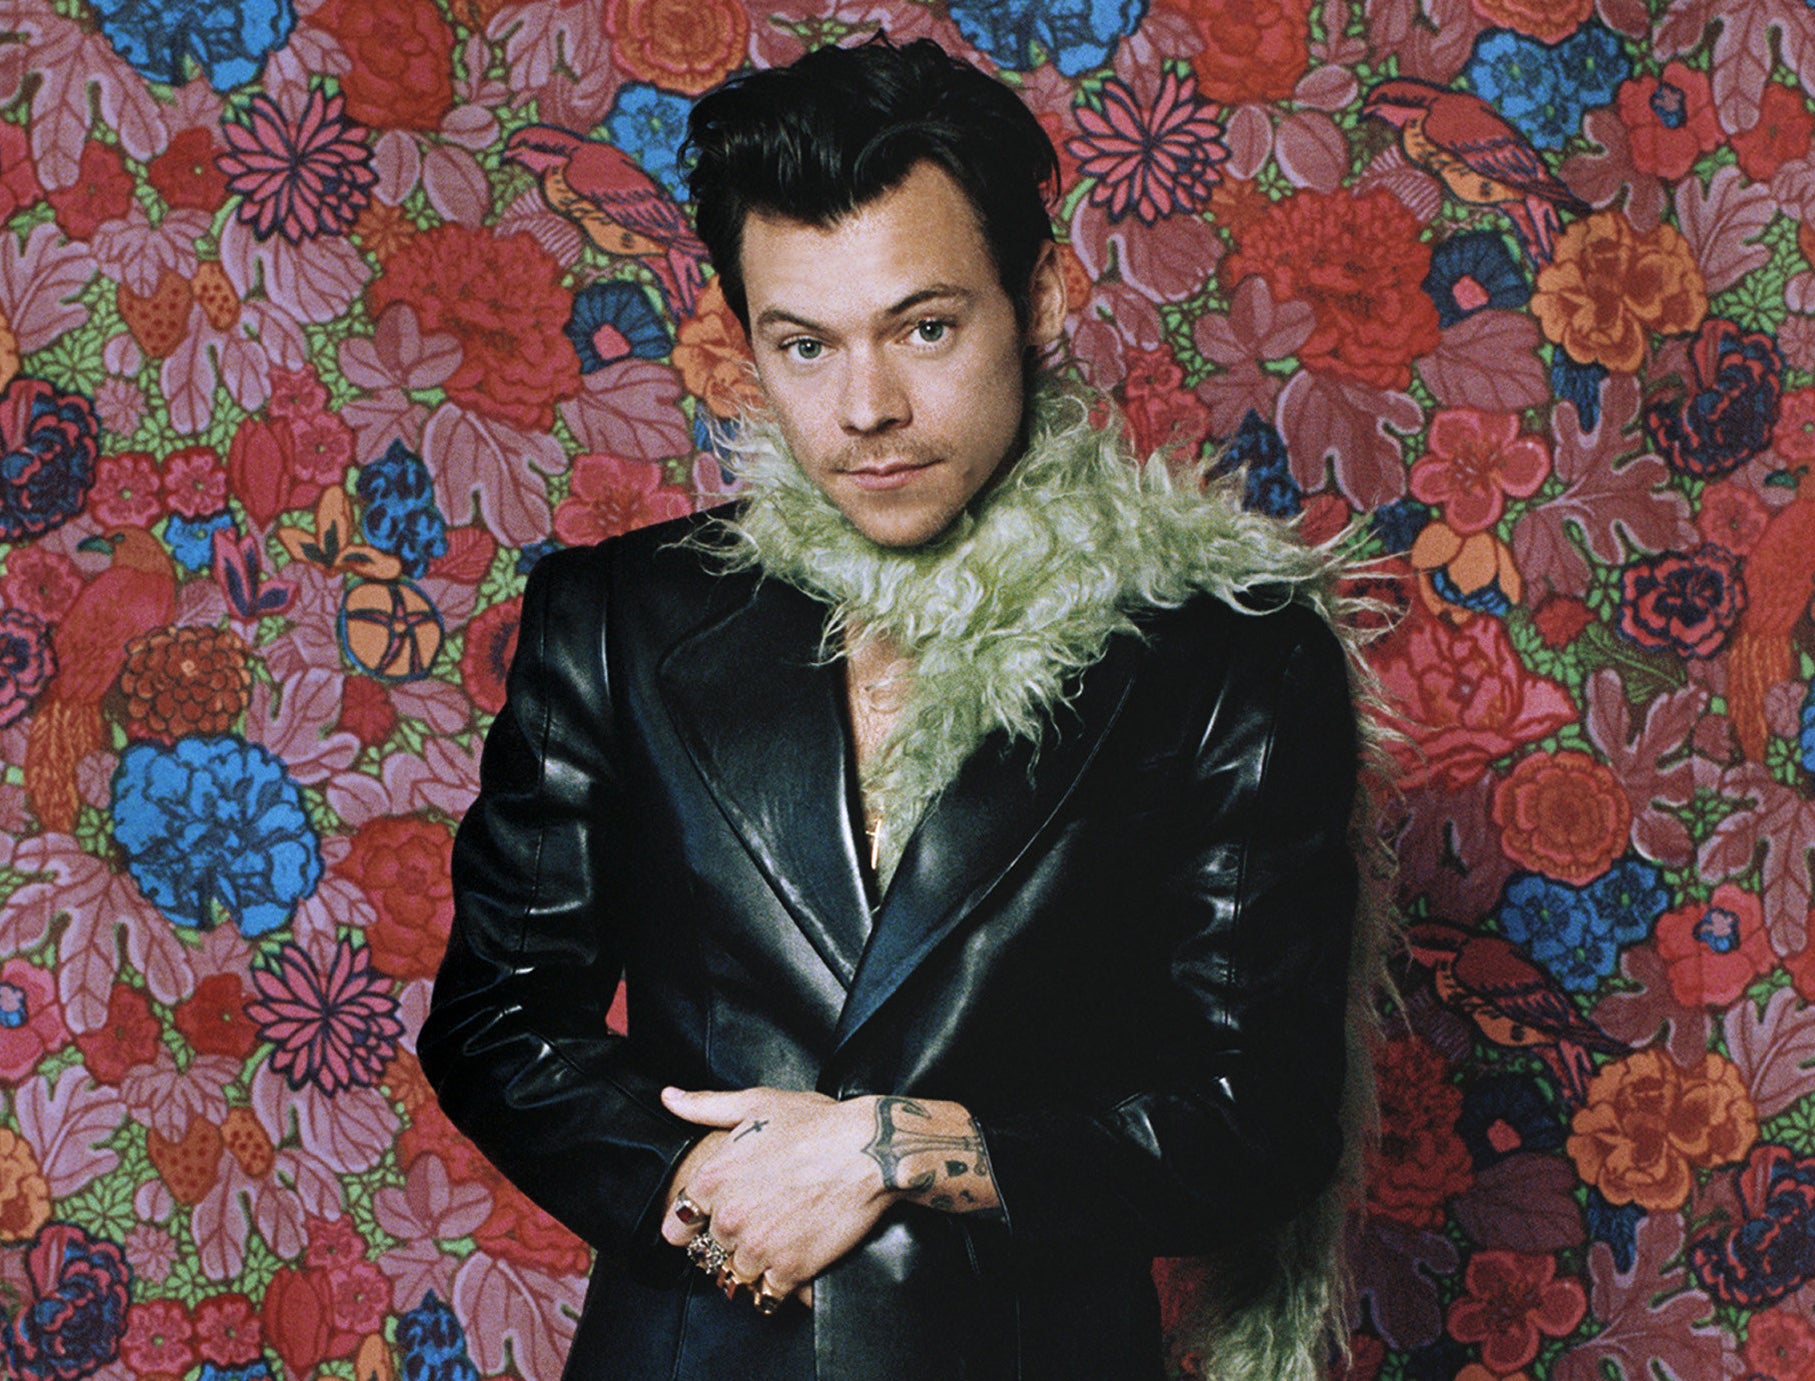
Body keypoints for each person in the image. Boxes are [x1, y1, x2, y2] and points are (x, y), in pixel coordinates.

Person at [421, 35, 1367, 1381]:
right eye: (804, 345)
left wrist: (896, 1153)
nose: (865, 408)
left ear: (1037, 297)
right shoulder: (622, 618)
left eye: (926, 328)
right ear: (745, 339)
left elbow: (1257, 1120)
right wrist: (719, 1192)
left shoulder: (1225, 657)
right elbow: (499, 1018)